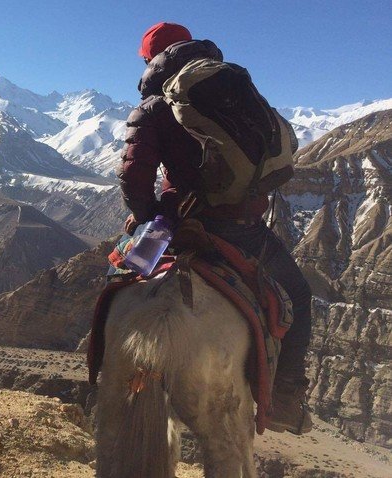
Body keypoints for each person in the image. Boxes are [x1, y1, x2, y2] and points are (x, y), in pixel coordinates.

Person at [118, 22, 314, 434]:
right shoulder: (238, 97)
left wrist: (149, 213)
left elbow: (134, 176)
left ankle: (108, 372)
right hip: (243, 228)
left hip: (173, 225)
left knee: (122, 276)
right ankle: (284, 398)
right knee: (298, 293)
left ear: (150, 60)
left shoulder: (153, 108)